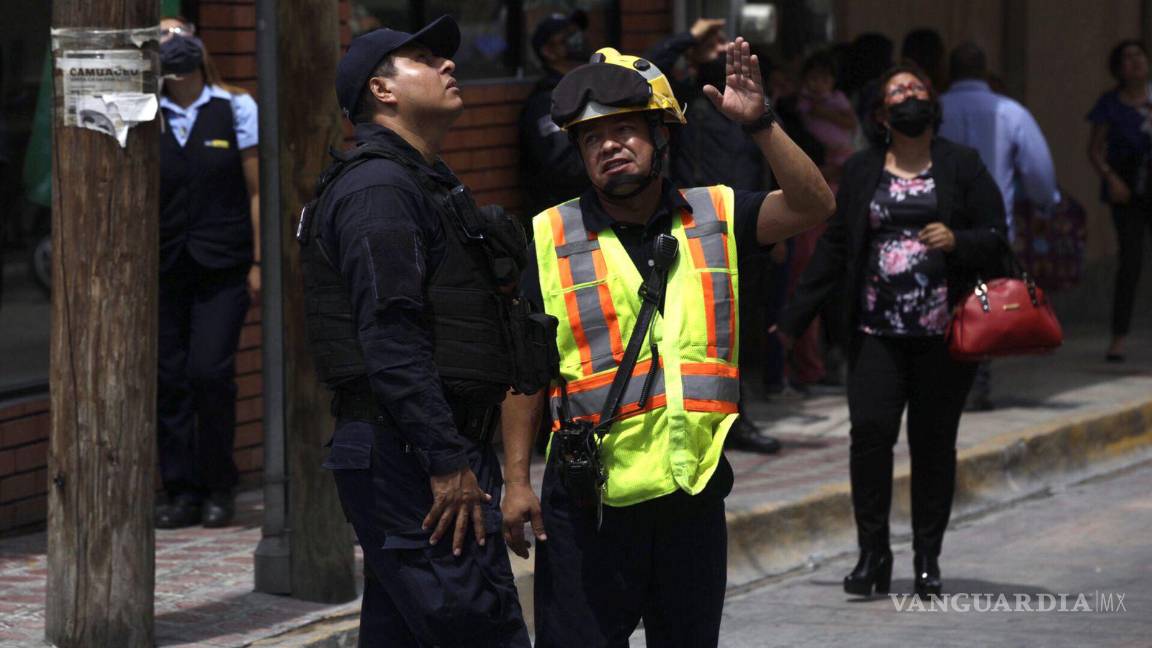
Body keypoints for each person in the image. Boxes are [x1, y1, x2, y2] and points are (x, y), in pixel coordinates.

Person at [501, 40, 834, 646]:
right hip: (589, 505)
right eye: (590, 139)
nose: (607, 146)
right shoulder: (547, 238)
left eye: (624, 129)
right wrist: (517, 480)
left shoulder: (718, 214)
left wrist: (760, 123)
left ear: (662, 137)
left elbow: (814, 203)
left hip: (691, 498)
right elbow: (525, 372)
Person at [300, 17, 531, 646]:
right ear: (383, 91)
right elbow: (391, 337)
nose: (449, 66)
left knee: (407, 631)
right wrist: (446, 460)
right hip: (412, 453)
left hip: (426, 446)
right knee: (477, 627)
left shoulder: (423, 183)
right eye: (426, 59)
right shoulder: (379, 190)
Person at [778, 66, 1006, 600]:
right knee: (871, 440)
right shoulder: (861, 171)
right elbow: (835, 246)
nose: (908, 98)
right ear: (880, 114)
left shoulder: (962, 165)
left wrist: (958, 240)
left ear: (933, 104)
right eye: (895, 93)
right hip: (874, 333)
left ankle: (927, 558)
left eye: (916, 90)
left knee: (933, 447)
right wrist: (794, 319)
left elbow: (997, 235)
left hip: (944, 336)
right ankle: (872, 555)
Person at [645, 21, 785, 454]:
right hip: (694, 223)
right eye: (715, 46)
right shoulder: (686, 96)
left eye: (728, 47)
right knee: (695, 320)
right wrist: (690, 38)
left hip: (744, 219)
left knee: (739, 324)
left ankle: (734, 416)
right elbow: (647, 70)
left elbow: (764, 162)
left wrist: (773, 228)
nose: (721, 51)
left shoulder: (751, 104)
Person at [154, 18, 260, 529]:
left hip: (222, 264)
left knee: (210, 374)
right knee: (168, 379)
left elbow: (256, 191)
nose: (172, 45)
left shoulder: (234, 107)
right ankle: (180, 490)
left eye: (178, 34)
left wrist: (258, 262)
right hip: (163, 265)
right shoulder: (143, 110)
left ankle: (220, 485)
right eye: (161, 39)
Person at [939, 41, 1059, 410]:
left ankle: (938, 380)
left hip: (934, 227)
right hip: (991, 229)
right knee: (983, 303)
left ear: (950, 72)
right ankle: (976, 384)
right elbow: (1039, 173)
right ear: (985, 71)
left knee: (938, 305)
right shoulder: (1011, 112)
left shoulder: (937, 108)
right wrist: (1046, 203)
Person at [1087, 39, 1152, 363]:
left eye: (1139, 56)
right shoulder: (1110, 103)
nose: (1135, 63)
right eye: (1127, 58)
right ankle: (1118, 337)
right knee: (1130, 261)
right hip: (1126, 189)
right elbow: (1094, 149)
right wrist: (1110, 178)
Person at [518, 10, 592, 218]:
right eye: (567, 36)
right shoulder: (545, 102)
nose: (577, 39)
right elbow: (565, 168)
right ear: (549, 52)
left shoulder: (583, 91)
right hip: (566, 220)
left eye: (577, 32)